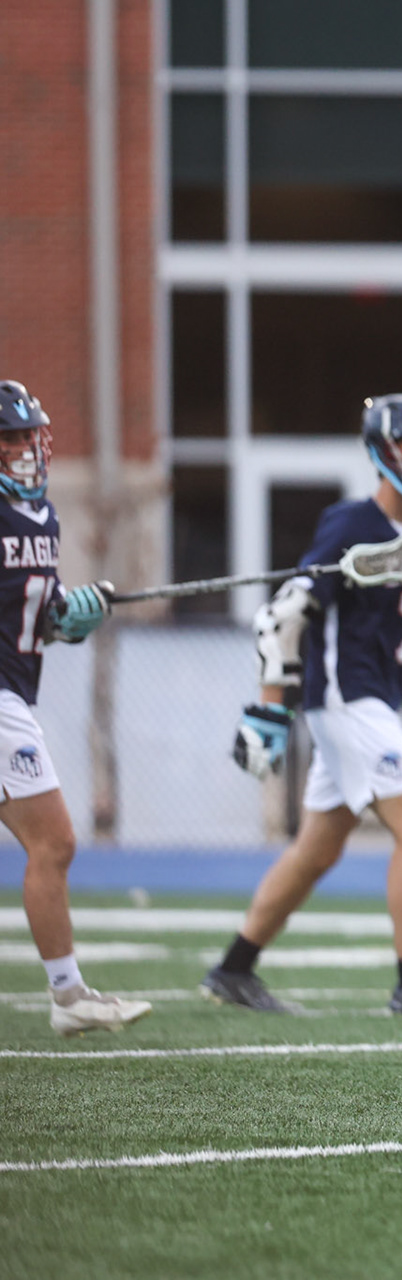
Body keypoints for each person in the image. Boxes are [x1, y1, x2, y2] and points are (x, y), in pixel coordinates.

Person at [201, 394, 402, 1018]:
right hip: (347, 701)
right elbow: (286, 613)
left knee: (318, 849)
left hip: (371, 700)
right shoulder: (350, 525)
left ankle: (233, 968)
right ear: (386, 453)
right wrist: (269, 708)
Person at [0, 380, 149, 1036]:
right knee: (54, 840)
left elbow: (37, 613)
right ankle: (68, 996)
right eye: (11, 438)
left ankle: (69, 995)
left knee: (51, 843)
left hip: (14, 692)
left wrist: (70, 616)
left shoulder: (44, 517)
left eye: (30, 435)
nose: (27, 449)